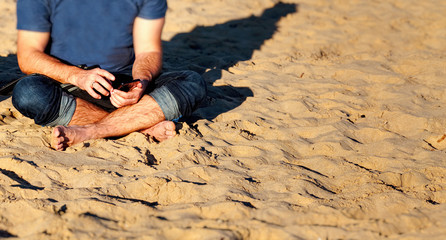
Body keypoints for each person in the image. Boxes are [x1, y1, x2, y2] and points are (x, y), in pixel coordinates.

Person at [13, 0, 207, 151]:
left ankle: (92, 131)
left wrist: (140, 82)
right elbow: (28, 56)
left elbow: (148, 51)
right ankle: (140, 127)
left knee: (192, 83)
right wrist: (78, 76)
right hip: (67, 86)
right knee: (27, 92)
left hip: (124, 89)